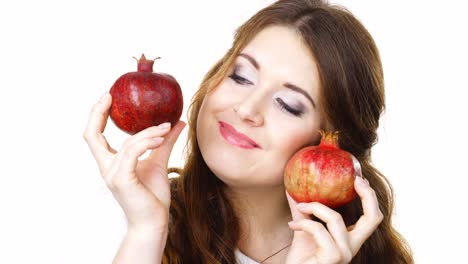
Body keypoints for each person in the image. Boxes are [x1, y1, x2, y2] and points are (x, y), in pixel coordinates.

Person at [84, 0, 413, 263]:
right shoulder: (124, 220)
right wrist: (145, 231)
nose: (246, 109)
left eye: (287, 103)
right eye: (240, 76)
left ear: (332, 144)